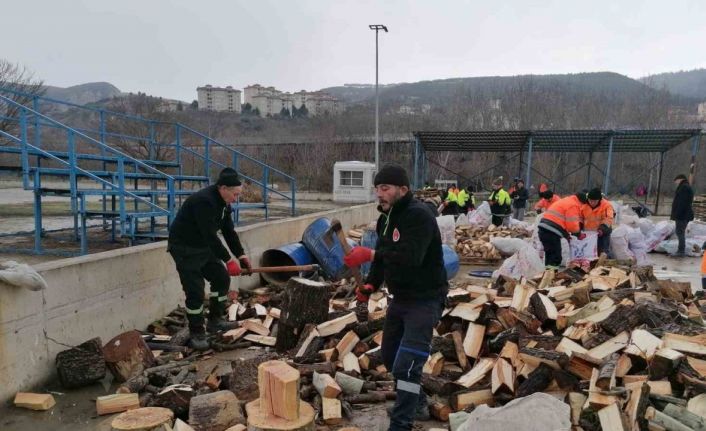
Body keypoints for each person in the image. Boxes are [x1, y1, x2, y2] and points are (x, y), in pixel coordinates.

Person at [342, 163, 447, 431]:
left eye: (385, 188)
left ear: (403, 189)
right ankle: (419, 402)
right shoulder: (385, 218)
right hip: (400, 299)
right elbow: (382, 262)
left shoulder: (419, 216)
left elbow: (412, 258)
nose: (379, 193)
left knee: (407, 366)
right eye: (377, 188)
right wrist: (369, 285)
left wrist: (370, 254)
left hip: (425, 299)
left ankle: (401, 424)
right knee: (390, 357)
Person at [167, 167, 252, 350]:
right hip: (185, 248)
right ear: (223, 188)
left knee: (221, 277)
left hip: (203, 247)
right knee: (195, 290)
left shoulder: (224, 204)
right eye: (235, 195)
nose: (235, 199)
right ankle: (197, 331)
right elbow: (210, 236)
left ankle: (215, 320)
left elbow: (229, 232)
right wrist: (228, 260)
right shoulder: (204, 202)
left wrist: (241, 255)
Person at [538, 191, 588, 268]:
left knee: (550, 255)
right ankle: (551, 276)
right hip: (551, 232)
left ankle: (548, 275)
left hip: (544, 229)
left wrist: (566, 235)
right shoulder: (573, 205)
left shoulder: (567, 201)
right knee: (556, 257)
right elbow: (572, 226)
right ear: (581, 202)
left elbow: (561, 223)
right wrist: (579, 234)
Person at [581, 188, 614, 256]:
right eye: (590, 200)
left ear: (599, 200)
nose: (592, 203)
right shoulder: (583, 205)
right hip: (588, 234)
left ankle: (604, 264)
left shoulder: (607, 205)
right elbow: (579, 218)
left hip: (603, 233)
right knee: (589, 252)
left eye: (594, 201)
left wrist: (602, 229)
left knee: (603, 252)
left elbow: (608, 219)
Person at [671, 174, 694, 257]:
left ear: (680, 179)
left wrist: (678, 214)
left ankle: (681, 251)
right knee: (680, 232)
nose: (676, 183)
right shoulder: (685, 187)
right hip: (684, 214)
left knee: (680, 232)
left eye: (676, 181)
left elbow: (682, 203)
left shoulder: (684, 187)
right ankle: (680, 250)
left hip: (682, 215)